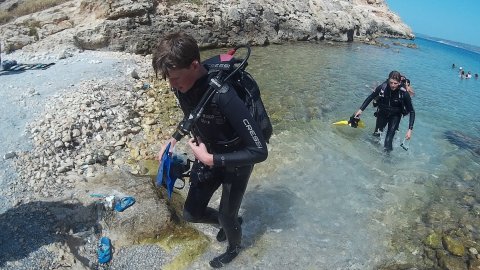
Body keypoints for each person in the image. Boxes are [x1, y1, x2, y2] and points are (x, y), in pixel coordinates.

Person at [151, 32, 268, 268]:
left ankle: (234, 247)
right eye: (169, 79)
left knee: (227, 214)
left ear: (194, 65)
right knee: (191, 214)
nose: (172, 85)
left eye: (175, 78)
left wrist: (210, 158)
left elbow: (259, 151)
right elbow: (193, 116)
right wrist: (173, 139)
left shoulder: (224, 95)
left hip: (237, 159)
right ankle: (233, 222)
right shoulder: (183, 86)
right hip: (208, 154)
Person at [354, 71, 415, 152]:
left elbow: (412, 111)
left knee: (388, 141)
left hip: (395, 116)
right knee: (376, 136)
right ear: (388, 80)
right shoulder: (383, 87)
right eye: (391, 82)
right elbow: (371, 97)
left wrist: (409, 130)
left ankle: (387, 160)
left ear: (399, 83)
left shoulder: (404, 93)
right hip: (382, 113)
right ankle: (372, 154)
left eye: (395, 83)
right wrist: (360, 110)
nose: (392, 85)